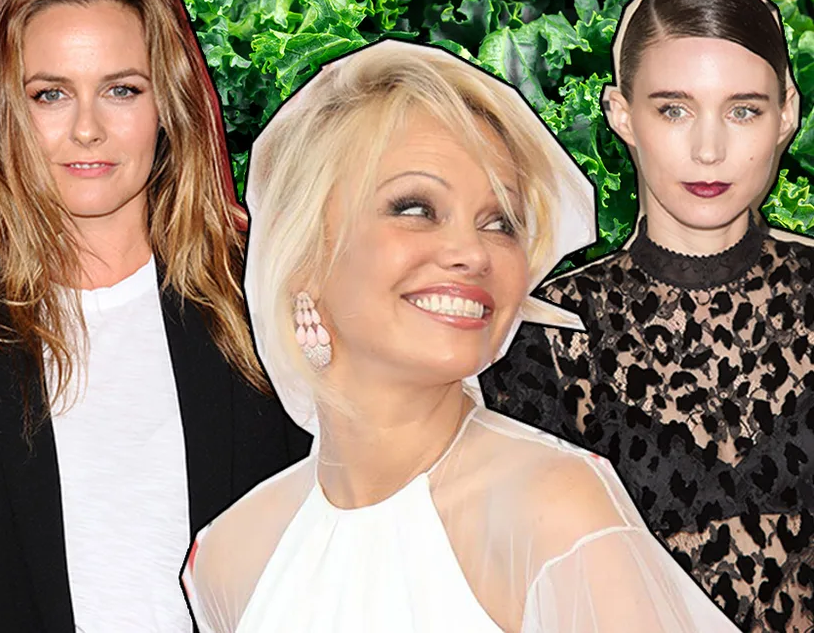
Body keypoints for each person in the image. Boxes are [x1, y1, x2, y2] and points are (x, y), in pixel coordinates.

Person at [181, 39, 742, 632]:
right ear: (303, 253)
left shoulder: (553, 510)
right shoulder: (231, 558)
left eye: (501, 223)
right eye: (416, 208)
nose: (473, 253)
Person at [0, 0, 310, 633]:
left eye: (121, 90)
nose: (87, 129)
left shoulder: (267, 302)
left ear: (169, 106)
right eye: (50, 94)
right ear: (4, 115)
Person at [481, 0, 814, 633]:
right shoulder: (553, 331)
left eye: (743, 110)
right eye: (674, 110)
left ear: (787, 113)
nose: (709, 150)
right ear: (620, 113)